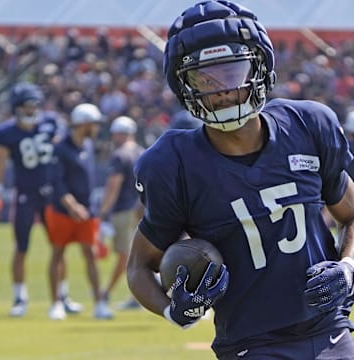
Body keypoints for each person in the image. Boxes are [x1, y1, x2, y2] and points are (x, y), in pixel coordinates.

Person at [126, 1, 354, 359]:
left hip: (331, 334)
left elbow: (351, 213)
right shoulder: (173, 164)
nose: (221, 89)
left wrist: (347, 266)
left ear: (259, 67)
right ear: (183, 85)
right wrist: (174, 311)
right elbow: (139, 265)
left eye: (232, 72)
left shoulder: (309, 126)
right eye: (204, 78)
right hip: (250, 345)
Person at [0, 82, 82, 317]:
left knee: (59, 248)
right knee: (21, 247)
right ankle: (19, 297)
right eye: (27, 105)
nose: (32, 109)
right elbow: (0, 161)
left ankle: (63, 294)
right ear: (16, 107)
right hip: (25, 193)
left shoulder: (50, 123)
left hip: (51, 193)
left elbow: (62, 148)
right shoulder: (6, 132)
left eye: (35, 105)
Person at [45, 103, 113, 320]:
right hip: (62, 211)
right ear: (83, 123)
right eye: (94, 123)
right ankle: (56, 303)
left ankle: (99, 303)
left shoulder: (88, 145)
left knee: (91, 256)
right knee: (57, 254)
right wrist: (73, 206)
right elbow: (58, 182)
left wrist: (84, 209)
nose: (96, 127)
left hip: (87, 212)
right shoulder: (60, 147)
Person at [98, 116, 144, 311]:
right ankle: (137, 296)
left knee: (125, 256)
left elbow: (113, 186)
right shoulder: (142, 152)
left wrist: (103, 212)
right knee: (139, 255)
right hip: (142, 209)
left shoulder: (119, 155)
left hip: (124, 210)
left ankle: (106, 293)